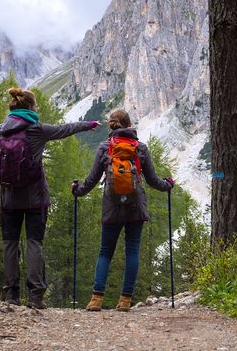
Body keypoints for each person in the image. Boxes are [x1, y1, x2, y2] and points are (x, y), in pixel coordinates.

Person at [0, 88, 98, 309]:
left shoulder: (2, 129)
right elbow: (64, 129)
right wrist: (89, 125)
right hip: (35, 199)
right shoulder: (36, 129)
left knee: (10, 244)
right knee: (34, 243)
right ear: (31, 107)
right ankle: (36, 296)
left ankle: (11, 295)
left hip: (9, 199)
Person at [72, 109, 175, 312]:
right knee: (132, 250)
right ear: (129, 125)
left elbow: (92, 179)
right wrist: (168, 184)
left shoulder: (105, 148)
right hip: (136, 207)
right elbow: (154, 181)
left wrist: (78, 191)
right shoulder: (141, 148)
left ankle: (96, 299)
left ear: (111, 126)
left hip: (112, 207)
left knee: (105, 252)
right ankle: (125, 300)